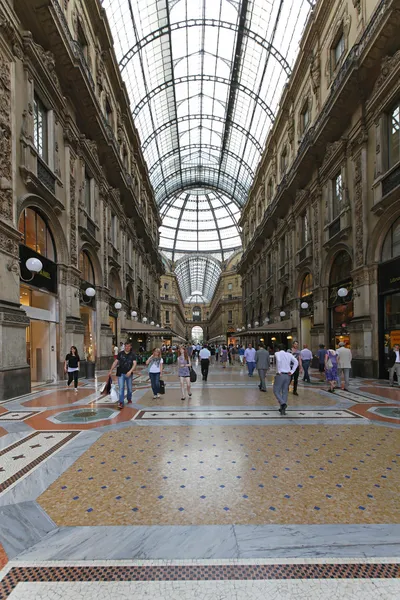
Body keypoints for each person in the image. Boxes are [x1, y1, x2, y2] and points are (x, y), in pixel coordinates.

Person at [108, 341, 137, 409]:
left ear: (130, 347)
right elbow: (116, 362)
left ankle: (129, 398)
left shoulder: (133, 355)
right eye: (126, 346)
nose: (127, 347)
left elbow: (134, 364)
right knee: (121, 388)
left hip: (129, 374)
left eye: (128, 346)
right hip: (121, 373)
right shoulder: (120, 354)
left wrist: (130, 371)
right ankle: (121, 402)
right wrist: (111, 370)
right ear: (124, 347)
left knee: (129, 388)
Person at [273, 344, 298, 415]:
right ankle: (282, 410)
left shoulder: (277, 353)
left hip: (280, 374)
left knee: (276, 390)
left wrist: (278, 370)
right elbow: (296, 362)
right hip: (288, 375)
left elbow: (278, 359)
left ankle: (283, 403)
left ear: (278, 349)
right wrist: (292, 371)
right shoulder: (289, 354)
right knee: (285, 391)